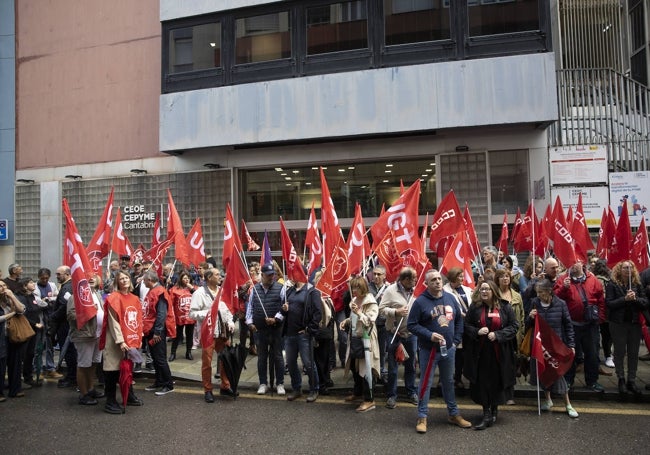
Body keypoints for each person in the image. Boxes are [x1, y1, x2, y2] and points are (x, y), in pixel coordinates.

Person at [407, 269, 472, 433]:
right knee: (425, 383)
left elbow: (458, 321)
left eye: (439, 279)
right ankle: (422, 416)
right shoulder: (420, 302)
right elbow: (412, 325)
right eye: (433, 280)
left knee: (448, 382)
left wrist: (456, 341)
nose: (437, 281)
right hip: (429, 351)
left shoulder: (450, 298)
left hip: (448, 350)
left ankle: (453, 413)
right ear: (426, 283)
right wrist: (429, 335)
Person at [463, 280, 518, 430]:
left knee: (496, 382)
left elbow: (514, 326)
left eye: (487, 289)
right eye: (482, 289)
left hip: (500, 353)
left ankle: (494, 409)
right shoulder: (475, 307)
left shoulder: (505, 307)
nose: (484, 292)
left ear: (493, 291)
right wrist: (477, 332)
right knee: (483, 383)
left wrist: (499, 334)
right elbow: (466, 326)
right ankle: (486, 413)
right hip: (480, 354)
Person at [526, 279, 578, 418]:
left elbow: (568, 325)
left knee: (558, 373)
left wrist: (571, 344)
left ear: (549, 291)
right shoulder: (535, 303)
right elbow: (528, 324)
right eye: (537, 292)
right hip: (540, 344)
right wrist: (530, 317)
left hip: (556, 345)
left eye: (541, 292)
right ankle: (548, 400)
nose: (539, 295)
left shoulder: (561, 304)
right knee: (543, 373)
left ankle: (568, 404)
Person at [554, 260, 605, 392]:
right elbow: (555, 298)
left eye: (575, 262)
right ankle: (569, 380)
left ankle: (592, 381)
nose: (572, 265)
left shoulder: (593, 280)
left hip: (590, 324)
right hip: (571, 325)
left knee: (592, 354)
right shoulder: (563, 279)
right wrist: (563, 288)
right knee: (570, 354)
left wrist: (600, 318)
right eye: (570, 262)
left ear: (582, 264)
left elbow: (600, 300)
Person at [189, 268, 236, 403]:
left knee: (225, 360)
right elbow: (192, 314)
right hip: (208, 333)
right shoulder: (199, 293)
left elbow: (226, 310)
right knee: (207, 363)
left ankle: (225, 386)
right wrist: (209, 313)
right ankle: (208, 390)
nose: (220, 276)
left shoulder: (222, 291)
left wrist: (230, 321)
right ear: (209, 277)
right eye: (217, 275)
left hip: (222, 332)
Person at [100, 270, 144, 414]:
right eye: (121, 279)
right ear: (117, 282)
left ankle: (129, 395)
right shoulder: (114, 298)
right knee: (113, 370)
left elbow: (138, 320)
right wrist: (120, 341)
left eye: (126, 278)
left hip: (130, 340)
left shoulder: (134, 298)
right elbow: (113, 323)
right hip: (115, 341)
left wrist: (139, 338)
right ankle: (110, 401)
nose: (124, 280)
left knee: (127, 369)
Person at [605, 260, 649, 396]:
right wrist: (624, 299)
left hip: (634, 324)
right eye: (625, 268)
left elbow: (645, 302)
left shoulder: (637, 283)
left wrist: (635, 299)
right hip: (618, 324)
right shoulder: (612, 284)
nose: (628, 270)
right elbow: (610, 304)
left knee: (633, 353)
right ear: (619, 269)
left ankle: (631, 380)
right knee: (619, 352)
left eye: (630, 268)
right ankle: (621, 379)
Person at [379, 266, 418, 409]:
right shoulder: (390, 291)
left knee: (411, 365)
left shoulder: (417, 291)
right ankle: (391, 395)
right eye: (414, 278)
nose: (416, 280)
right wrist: (396, 311)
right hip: (394, 334)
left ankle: (411, 392)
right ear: (406, 280)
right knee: (393, 368)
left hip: (412, 334)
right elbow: (381, 310)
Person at [340, 276, 379, 412]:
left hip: (366, 340)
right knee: (353, 366)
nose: (354, 290)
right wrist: (347, 321)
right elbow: (354, 318)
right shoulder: (354, 300)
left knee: (366, 369)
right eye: (352, 288)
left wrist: (359, 312)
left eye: (357, 287)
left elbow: (369, 321)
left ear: (363, 287)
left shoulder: (371, 302)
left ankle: (370, 400)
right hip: (355, 339)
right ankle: (358, 392)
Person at [246, 263, 286, 395]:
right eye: (268, 275)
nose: (271, 277)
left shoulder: (281, 288)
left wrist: (276, 318)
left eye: (272, 275)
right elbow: (250, 308)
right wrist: (250, 323)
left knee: (278, 357)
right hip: (260, 329)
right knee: (262, 358)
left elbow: (284, 307)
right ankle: (263, 383)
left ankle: (280, 383)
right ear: (262, 275)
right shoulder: (255, 289)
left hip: (276, 329)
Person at [67, 274, 105, 405]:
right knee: (84, 365)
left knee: (94, 363)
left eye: (94, 276)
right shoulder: (75, 297)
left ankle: (91, 388)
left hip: (98, 335)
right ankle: (83, 394)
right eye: (88, 277)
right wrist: (89, 311)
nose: (92, 279)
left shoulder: (98, 295)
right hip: (84, 336)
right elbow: (71, 315)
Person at [282, 278, 322, 403]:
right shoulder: (290, 291)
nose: (292, 276)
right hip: (290, 333)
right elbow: (283, 311)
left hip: (304, 334)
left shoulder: (312, 291)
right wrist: (284, 309)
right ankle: (296, 388)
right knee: (291, 362)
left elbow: (317, 313)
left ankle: (314, 389)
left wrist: (309, 329)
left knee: (308, 363)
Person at [142, 270, 176, 396]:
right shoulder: (154, 291)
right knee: (156, 358)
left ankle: (168, 384)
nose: (143, 282)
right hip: (151, 329)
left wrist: (157, 332)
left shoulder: (159, 292)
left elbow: (162, 314)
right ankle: (159, 381)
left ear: (149, 280)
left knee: (160, 358)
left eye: (144, 280)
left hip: (156, 331)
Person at [494, 268, 525, 405]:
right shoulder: (494, 295)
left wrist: (521, 335)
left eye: (507, 276)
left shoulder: (517, 296)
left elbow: (522, 317)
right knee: (499, 366)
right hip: (500, 336)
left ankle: (510, 395)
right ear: (497, 280)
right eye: (502, 277)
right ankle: (499, 393)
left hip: (514, 336)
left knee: (511, 367)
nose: (505, 279)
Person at [15, 277, 48, 387]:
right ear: (24, 286)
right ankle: (18, 380)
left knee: (30, 354)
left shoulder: (33, 296)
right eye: (30, 283)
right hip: (25, 329)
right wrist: (35, 324)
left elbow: (35, 309)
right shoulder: (21, 297)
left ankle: (28, 377)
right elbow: (23, 314)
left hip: (34, 329)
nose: (34, 284)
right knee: (22, 355)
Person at [443, 267, 472, 389]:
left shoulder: (467, 289)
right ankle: (445, 378)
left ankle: (458, 377)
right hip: (452, 325)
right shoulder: (445, 290)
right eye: (460, 276)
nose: (462, 278)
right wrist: (459, 313)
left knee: (462, 353)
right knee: (451, 351)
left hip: (467, 325)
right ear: (454, 277)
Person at [33, 268, 62, 380]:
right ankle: (37, 369)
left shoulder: (52, 285)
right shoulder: (35, 287)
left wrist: (47, 299)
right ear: (39, 277)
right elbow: (38, 303)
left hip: (50, 318)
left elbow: (57, 297)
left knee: (50, 345)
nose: (45, 280)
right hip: (40, 319)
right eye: (42, 278)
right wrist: (48, 301)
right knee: (39, 346)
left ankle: (50, 369)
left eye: (46, 278)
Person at [0, 280, 27, 398]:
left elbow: (22, 309)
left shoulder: (9, 299)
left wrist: (12, 296)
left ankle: (15, 389)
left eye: (4, 285)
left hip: (13, 335)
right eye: (0, 286)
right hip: (1, 337)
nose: (3, 288)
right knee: (1, 365)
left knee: (15, 363)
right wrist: (12, 314)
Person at [52, 266, 77, 388]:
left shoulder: (68, 287)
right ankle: (72, 376)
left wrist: (53, 316)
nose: (56, 276)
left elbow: (63, 307)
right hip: (66, 324)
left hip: (65, 325)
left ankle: (72, 377)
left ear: (67, 274)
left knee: (68, 351)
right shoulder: (69, 285)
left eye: (58, 274)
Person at [312, 271, 335, 396]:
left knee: (326, 359)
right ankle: (321, 384)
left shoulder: (327, 297)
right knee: (320, 360)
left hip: (328, 334)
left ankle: (326, 379)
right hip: (319, 333)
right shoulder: (315, 295)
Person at [168, 271, 196, 362]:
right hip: (179, 317)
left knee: (189, 335)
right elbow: (170, 303)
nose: (186, 279)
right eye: (184, 278)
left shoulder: (194, 288)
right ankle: (173, 353)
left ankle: (188, 352)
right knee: (176, 336)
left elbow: (199, 297)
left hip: (190, 317)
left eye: (188, 278)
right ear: (181, 279)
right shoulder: (175, 289)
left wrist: (192, 289)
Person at [369, 265, 390, 383]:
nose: (376, 276)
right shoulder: (367, 287)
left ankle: (382, 371)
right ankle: (372, 371)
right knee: (371, 349)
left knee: (382, 350)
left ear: (384, 276)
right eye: (374, 274)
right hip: (371, 325)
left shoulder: (389, 289)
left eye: (379, 274)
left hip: (383, 324)